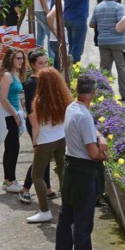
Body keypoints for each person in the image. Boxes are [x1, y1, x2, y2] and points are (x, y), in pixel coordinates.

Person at [56, 74, 109, 250]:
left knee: (66, 216)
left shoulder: (72, 108)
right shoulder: (84, 116)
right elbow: (93, 153)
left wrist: (100, 137)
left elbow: (91, 134)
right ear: (93, 93)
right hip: (83, 172)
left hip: (70, 169)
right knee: (83, 224)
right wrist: (104, 154)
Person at [25, 68, 72, 223]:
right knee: (62, 172)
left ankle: (45, 210)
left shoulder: (39, 101)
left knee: (37, 175)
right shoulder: (65, 98)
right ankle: (68, 207)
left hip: (46, 141)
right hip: (62, 139)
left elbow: (36, 126)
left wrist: (34, 143)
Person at [17, 51, 54, 204]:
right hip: (36, 123)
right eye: (40, 63)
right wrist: (36, 132)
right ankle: (25, 189)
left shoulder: (45, 79)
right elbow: (31, 110)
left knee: (46, 157)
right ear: (32, 65)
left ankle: (48, 189)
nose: (44, 66)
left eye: (46, 63)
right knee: (41, 157)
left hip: (46, 123)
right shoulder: (32, 83)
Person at [91, 0, 125, 100]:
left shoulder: (98, 7)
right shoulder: (118, 7)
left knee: (104, 68)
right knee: (121, 67)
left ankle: (104, 95)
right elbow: (120, 22)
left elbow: (92, 24)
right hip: (118, 41)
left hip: (103, 41)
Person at [0, 48, 27, 193]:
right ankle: (10, 181)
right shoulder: (7, 76)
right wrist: (15, 115)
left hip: (14, 114)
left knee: (11, 148)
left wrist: (21, 112)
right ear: (11, 59)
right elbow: (3, 98)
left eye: (22, 58)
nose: (21, 61)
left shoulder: (15, 74)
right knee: (13, 148)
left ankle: (9, 179)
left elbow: (16, 96)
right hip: (9, 116)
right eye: (18, 58)